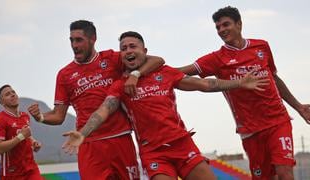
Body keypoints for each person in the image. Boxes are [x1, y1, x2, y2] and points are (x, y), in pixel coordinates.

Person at [61, 31, 269, 180]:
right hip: (153, 153)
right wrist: (84, 132)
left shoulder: (165, 72)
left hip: (182, 144)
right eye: (123, 49)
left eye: (133, 46)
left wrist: (240, 82)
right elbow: (104, 109)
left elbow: (205, 84)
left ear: (145, 51)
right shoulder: (119, 86)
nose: (128, 51)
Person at [178, 6, 310, 180]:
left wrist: (299, 106)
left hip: (278, 121)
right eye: (218, 27)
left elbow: (274, 79)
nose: (222, 30)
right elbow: (179, 72)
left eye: (226, 25)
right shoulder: (216, 58)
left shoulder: (261, 46)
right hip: (250, 130)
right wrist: (144, 73)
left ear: (239, 24)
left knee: (285, 172)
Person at [27, 20, 164, 180]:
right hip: (88, 143)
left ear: (93, 39)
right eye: (71, 40)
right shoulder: (65, 75)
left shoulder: (112, 58)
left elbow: (157, 60)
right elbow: (58, 116)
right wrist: (41, 117)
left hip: (120, 139)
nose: (74, 45)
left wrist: (135, 74)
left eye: (79, 40)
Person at [0, 84, 43, 180]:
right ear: (2, 102)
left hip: (31, 169)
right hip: (12, 173)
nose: (12, 94)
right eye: (7, 94)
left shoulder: (25, 116)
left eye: (13, 92)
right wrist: (20, 137)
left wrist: (34, 142)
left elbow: (26, 135)